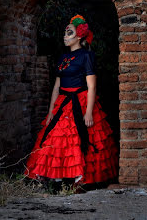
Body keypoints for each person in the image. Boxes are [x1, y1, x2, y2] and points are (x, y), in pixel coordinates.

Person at [24, 14, 118, 191]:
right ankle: (55, 180)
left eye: (69, 33)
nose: (65, 36)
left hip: (81, 101)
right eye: (65, 33)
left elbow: (92, 86)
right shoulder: (62, 57)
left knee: (78, 140)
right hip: (62, 102)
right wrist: (51, 110)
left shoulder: (86, 56)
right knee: (55, 139)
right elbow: (56, 86)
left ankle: (79, 180)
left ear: (79, 36)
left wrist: (89, 112)